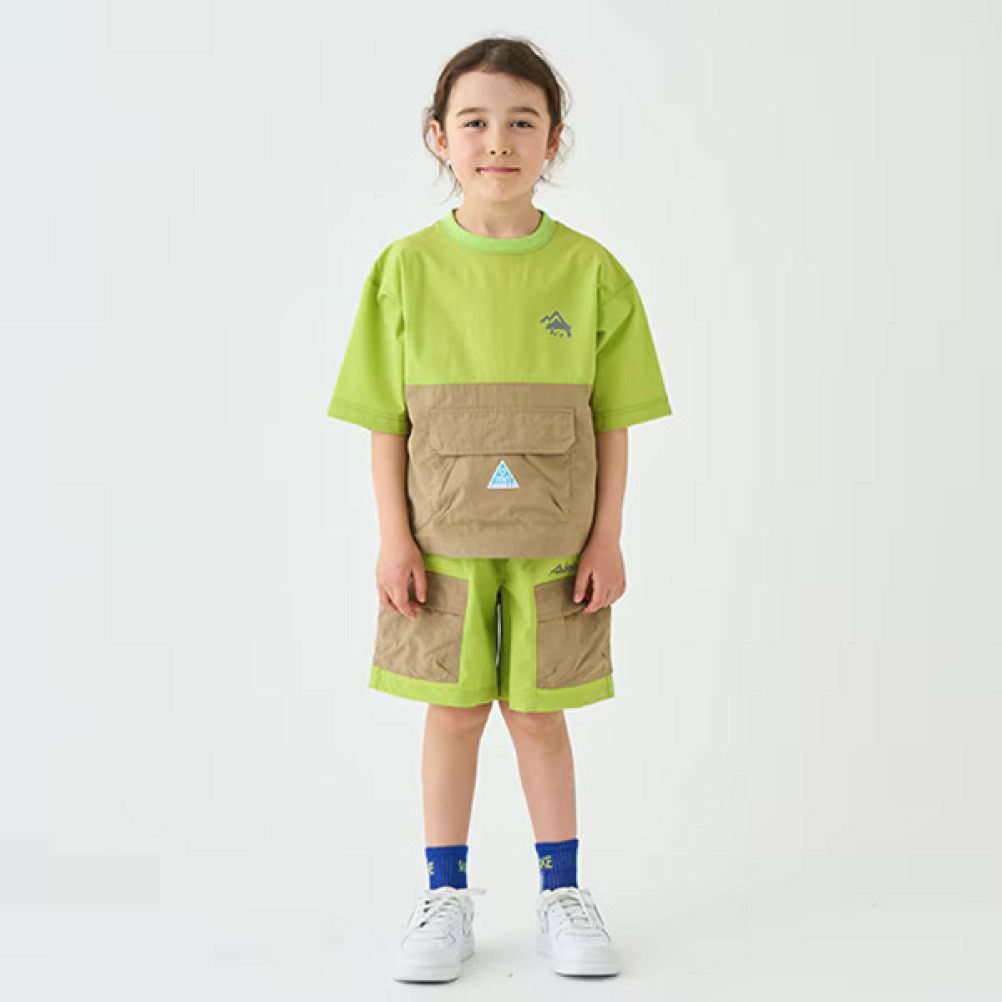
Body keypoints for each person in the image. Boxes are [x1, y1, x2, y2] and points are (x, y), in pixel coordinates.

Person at [326, 36, 672, 983]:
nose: (498, 141)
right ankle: (445, 895)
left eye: (523, 122)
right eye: (474, 122)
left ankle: (563, 894)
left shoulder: (593, 273)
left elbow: (613, 419)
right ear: (439, 137)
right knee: (452, 714)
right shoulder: (404, 270)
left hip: (556, 545)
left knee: (538, 716)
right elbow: (385, 419)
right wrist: (392, 538)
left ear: (554, 139)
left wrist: (609, 536)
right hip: (440, 544)